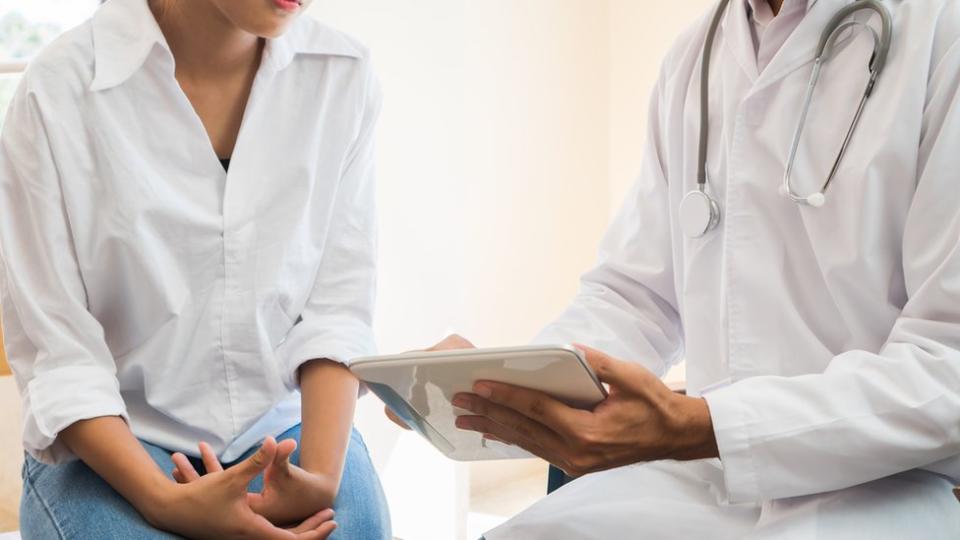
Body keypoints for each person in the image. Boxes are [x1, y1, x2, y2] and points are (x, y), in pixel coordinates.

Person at [406, 0, 960, 537]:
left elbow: (948, 365)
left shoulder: (942, 32)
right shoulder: (695, 57)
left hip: (891, 487)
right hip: (708, 482)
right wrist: (505, 382)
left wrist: (701, 426)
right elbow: (635, 296)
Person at [0, 0, 390, 538]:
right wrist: (162, 501)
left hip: (286, 432)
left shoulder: (342, 76)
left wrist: (319, 476)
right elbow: (60, 357)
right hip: (114, 447)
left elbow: (337, 310)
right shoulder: (57, 93)